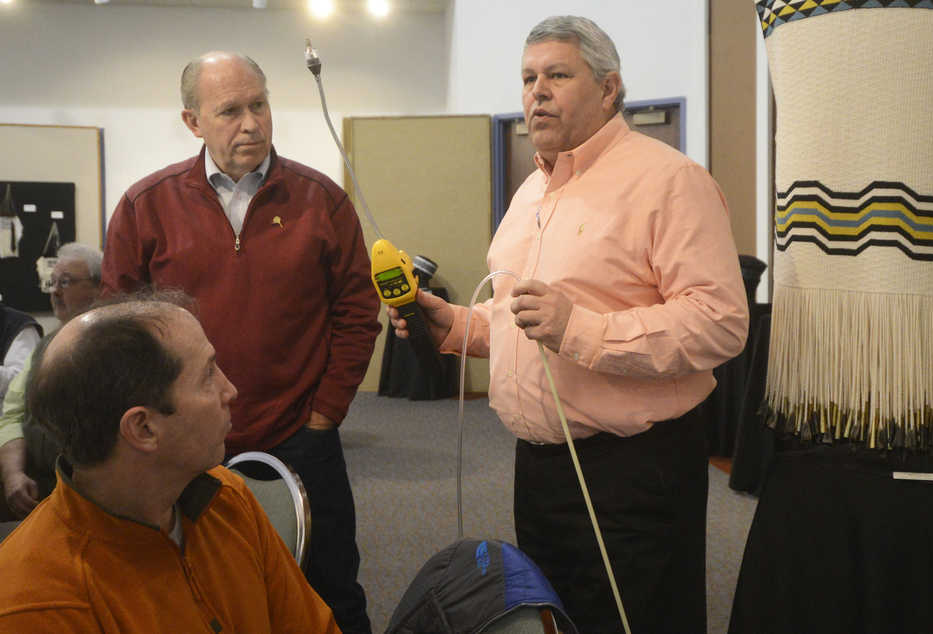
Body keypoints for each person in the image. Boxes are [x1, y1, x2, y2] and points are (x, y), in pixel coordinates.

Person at [389, 16, 748, 634]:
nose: (537, 92)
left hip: (634, 471)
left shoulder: (670, 182)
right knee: (556, 622)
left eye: (557, 75)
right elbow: (521, 318)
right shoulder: (531, 192)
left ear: (609, 89)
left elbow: (720, 322)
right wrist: (454, 325)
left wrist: (580, 330)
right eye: (528, 78)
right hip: (539, 471)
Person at [101, 51, 380, 633]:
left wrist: (326, 414)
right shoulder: (145, 206)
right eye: (230, 111)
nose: (251, 124)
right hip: (185, 443)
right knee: (198, 593)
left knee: (330, 591)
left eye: (259, 105)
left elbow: (357, 312)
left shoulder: (322, 200)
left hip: (301, 437)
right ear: (193, 122)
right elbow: (117, 329)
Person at [0, 294, 340, 633]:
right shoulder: (34, 606)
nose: (231, 390)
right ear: (144, 428)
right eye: (208, 374)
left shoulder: (227, 497)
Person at [0, 242, 103, 519]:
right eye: (52, 282)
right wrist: (13, 474)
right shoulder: (44, 347)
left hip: (90, 498)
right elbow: (12, 415)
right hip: (37, 489)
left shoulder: (114, 347)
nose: (55, 291)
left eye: (65, 282)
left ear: (100, 287)